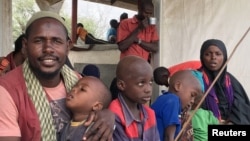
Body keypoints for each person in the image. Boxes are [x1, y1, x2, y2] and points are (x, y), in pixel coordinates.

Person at [0, 11, 114, 141]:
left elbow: (99, 103)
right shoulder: (6, 91)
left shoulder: (78, 81)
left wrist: (108, 114)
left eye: (56, 41)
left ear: (67, 47)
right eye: (38, 40)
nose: (48, 48)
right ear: (25, 46)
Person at [198, 39, 250, 124]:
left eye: (218, 54)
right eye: (208, 54)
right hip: (205, 126)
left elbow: (242, 108)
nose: (213, 57)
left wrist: (232, 122)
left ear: (225, 57)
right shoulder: (195, 79)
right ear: (202, 57)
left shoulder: (230, 80)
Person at [109, 55, 160, 141]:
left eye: (151, 82)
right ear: (121, 85)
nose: (148, 89)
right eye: (141, 83)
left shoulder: (149, 114)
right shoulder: (114, 115)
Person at [151, 70, 203, 141]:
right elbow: (169, 137)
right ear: (178, 86)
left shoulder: (165, 99)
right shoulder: (173, 100)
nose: (192, 101)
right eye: (192, 95)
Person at [59, 76, 112, 141]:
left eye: (82, 89)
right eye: (74, 86)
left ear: (96, 106)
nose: (74, 89)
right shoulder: (67, 125)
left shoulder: (96, 128)